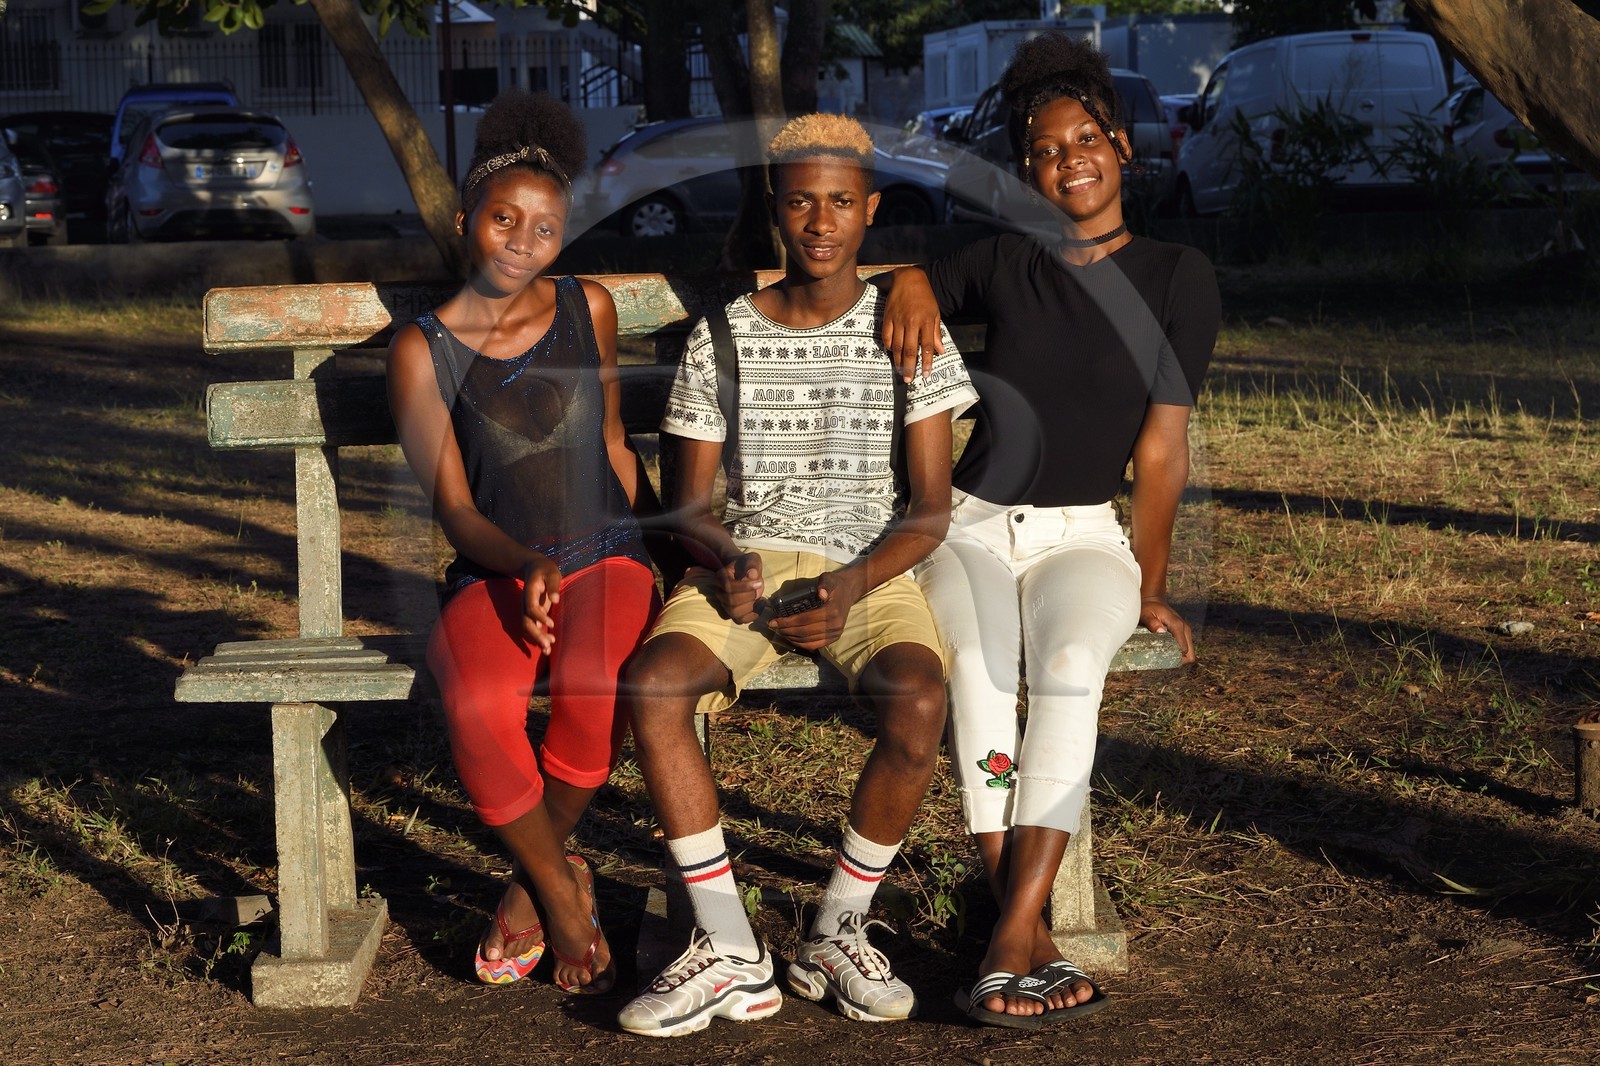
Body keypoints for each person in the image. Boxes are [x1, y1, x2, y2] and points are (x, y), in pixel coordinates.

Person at [879, 32, 1221, 1028]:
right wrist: (908, 275)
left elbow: (1160, 452)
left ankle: (1002, 935)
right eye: (1042, 147)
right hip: (973, 527)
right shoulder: (1002, 260)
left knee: (1071, 660)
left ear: (1119, 145)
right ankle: (1025, 942)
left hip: (1083, 536)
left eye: (1085, 138)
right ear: (1024, 170)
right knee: (979, 673)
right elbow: (916, 283)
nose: (1066, 157)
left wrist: (1151, 580)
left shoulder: (1174, 275)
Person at [615, 114, 979, 1038]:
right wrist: (724, 560)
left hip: (871, 568)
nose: (821, 221)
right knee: (653, 686)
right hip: (747, 564)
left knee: (920, 700)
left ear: (872, 211)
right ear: (773, 210)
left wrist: (853, 586)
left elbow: (929, 509)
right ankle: (733, 949)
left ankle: (836, 927)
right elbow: (688, 505)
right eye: (801, 200)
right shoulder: (721, 339)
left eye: (843, 202)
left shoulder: (909, 331)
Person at [386, 89, 665, 994]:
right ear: (466, 221)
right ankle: (560, 885)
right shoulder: (423, 350)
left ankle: (523, 889)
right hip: (496, 566)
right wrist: (522, 565)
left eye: (544, 226)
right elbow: (458, 511)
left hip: (610, 554)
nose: (521, 239)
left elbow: (616, 444)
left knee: (592, 692)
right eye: (504, 219)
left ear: (563, 236)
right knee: (473, 706)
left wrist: (668, 560)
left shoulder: (591, 308)